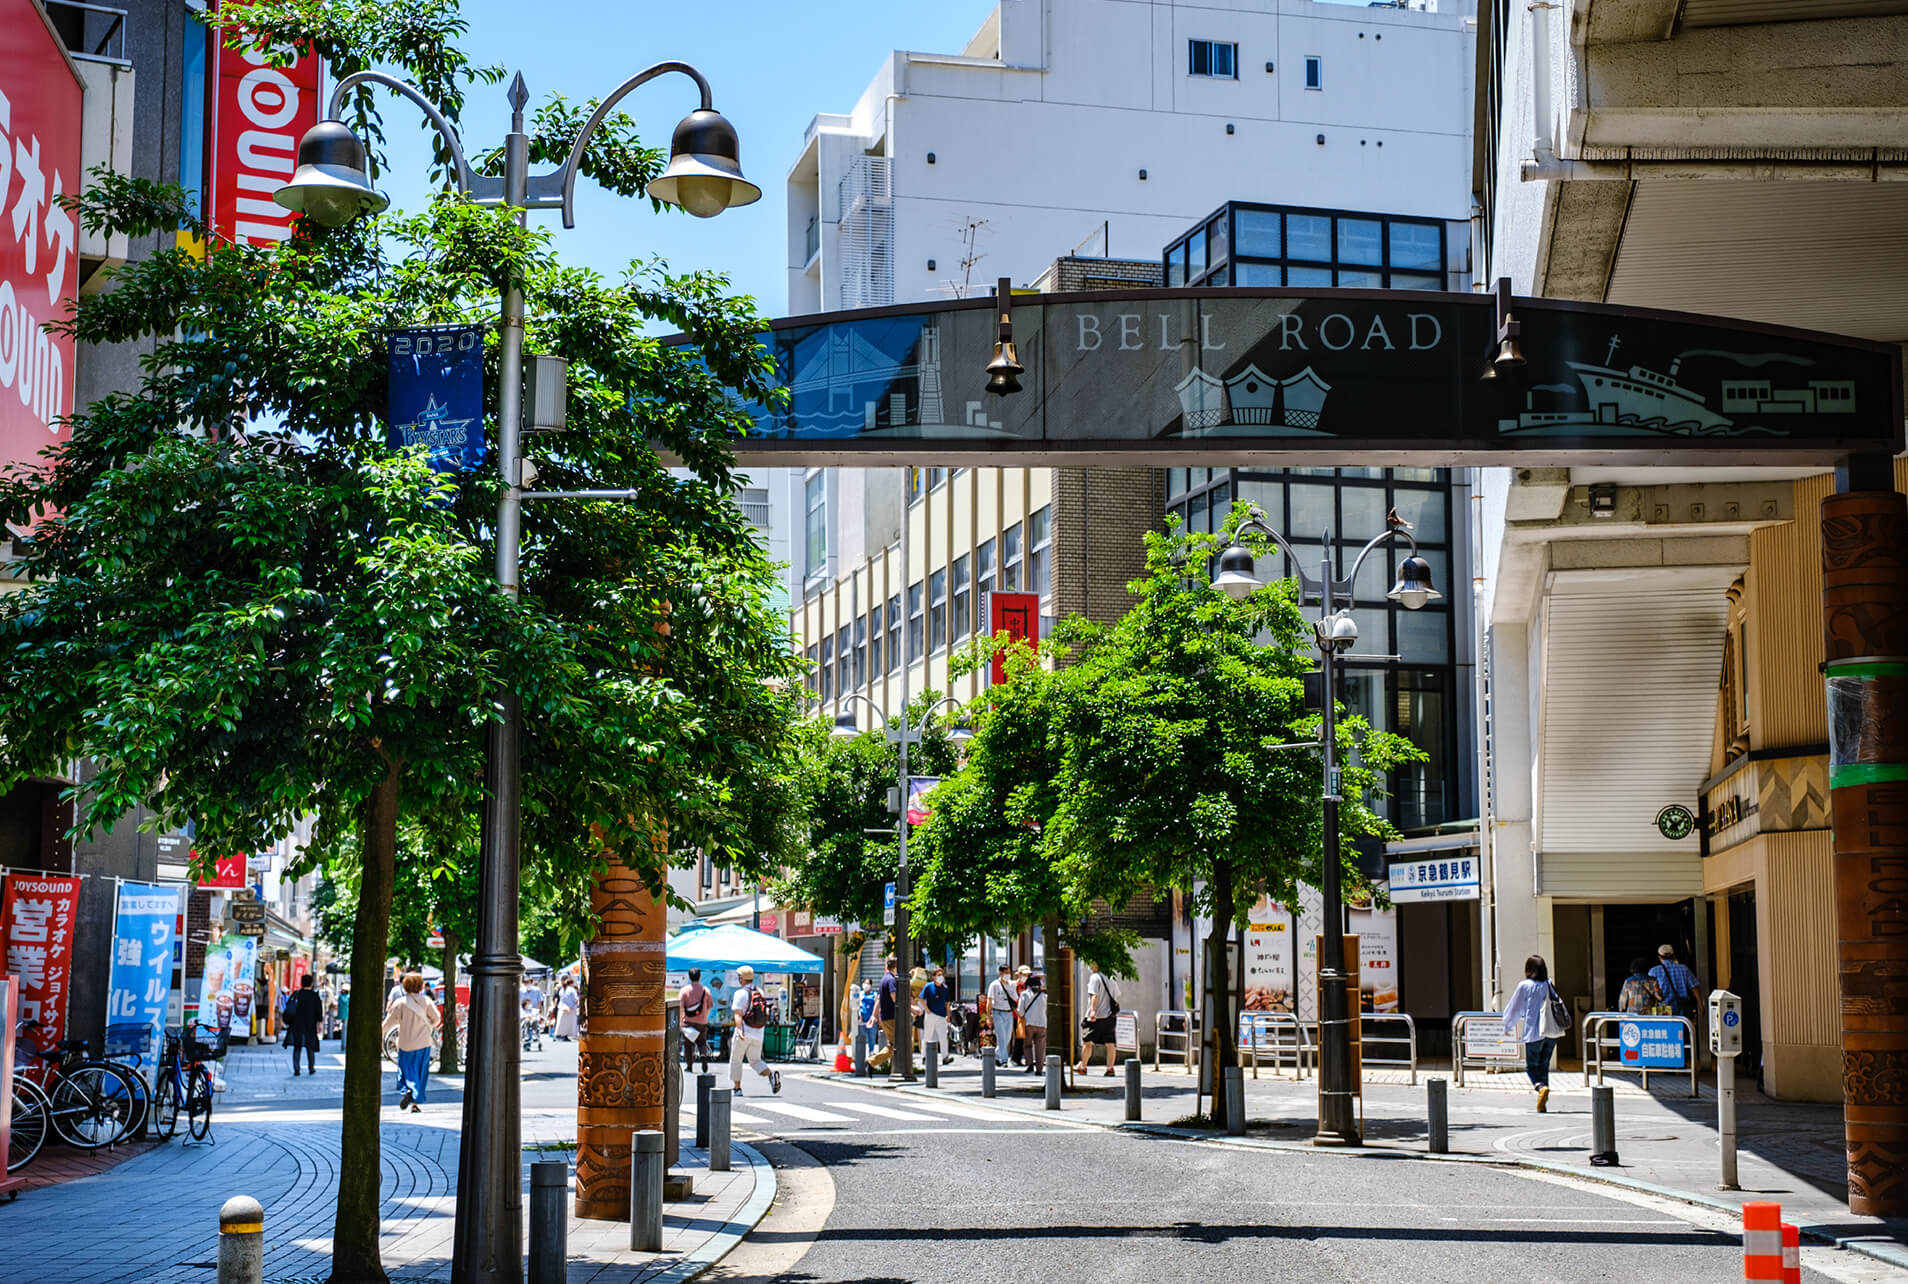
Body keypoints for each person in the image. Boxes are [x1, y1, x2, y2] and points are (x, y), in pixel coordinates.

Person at [1502, 954, 1568, 1112]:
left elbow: (1515, 1008)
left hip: (1534, 1033)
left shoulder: (1524, 986)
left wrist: (1507, 1026)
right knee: (1544, 1066)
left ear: (1529, 969)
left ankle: (1540, 1088)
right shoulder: (1548, 983)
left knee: (1531, 1067)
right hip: (1551, 1032)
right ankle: (1543, 1102)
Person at [382, 972, 441, 1112]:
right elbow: (437, 1018)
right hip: (424, 1042)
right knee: (421, 1071)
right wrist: (429, 1025)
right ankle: (415, 1102)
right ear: (421, 986)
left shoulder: (400, 1003)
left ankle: (408, 1089)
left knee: (405, 1069)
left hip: (405, 1042)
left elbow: (388, 1023)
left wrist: (380, 1032)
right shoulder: (427, 1001)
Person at [728, 965, 782, 1096]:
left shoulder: (740, 993)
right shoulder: (760, 992)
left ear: (741, 978)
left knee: (736, 1059)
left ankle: (737, 1088)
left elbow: (738, 1014)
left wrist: (739, 1029)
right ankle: (770, 1074)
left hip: (745, 1031)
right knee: (755, 1060)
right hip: (758, 1032)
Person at [1076, 961, 1122, 1076]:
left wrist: (1092, 1010)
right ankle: (1110, 1068)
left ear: (1096, 965)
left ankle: (1083, 1066)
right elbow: (1116, 996)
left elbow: (1094, 995)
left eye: (1091, 964)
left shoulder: (1094, 977)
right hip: (1110, 1016)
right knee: (1110, 1042)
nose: (1089, 967)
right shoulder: (1111, 977)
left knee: (1087, 1041)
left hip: (1095, 1016)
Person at [1650, 944, 1704, 1023]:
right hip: (1682, 1007)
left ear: (1659, 957)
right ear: (1673, 956)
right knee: (1682, 1031)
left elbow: (1652, 991)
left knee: (1666, 1031)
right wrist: (1700, 1004)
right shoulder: (1684, 969)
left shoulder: (1654, 971)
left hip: (1664, 1009)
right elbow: (1694, 987)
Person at [285, 974, 324, 1077]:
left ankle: (296, 1069)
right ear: (311, 983)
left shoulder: (297, 994)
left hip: (297, 1024)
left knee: (297, 1046)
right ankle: (311, 1067)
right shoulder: (314, 996)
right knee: (310, 1046)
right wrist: (319, 1023)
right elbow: (319, 1011)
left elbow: (289, 1008)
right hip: (310, 1024)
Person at [680, 968, 713, 1072]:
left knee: (688, 1045)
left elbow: (680, 1007)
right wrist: (704, 1017)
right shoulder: (705, 990)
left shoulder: (684, 991)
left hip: (688, 1022)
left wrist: (681, 1020)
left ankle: (689, 1066)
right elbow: (709, 1006)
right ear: (700, 976)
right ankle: (703, 1055)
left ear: (689, 977)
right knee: (702, 1042)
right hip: (702, 1022)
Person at [920, 966, 954, 1065]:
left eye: (942, 975)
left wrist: (948, 1015)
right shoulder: (928, 986)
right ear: (934, 977)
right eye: (938, 975)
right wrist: (927, 1009)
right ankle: (924, 1056)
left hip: (942, 1016)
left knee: (943, 1037)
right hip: (931, 1015)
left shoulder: (945, 988)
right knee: (927, 1036)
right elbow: (921, 998)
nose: (941, 977)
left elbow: (947, 1003)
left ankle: (945, 1057)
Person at [986, 964, 1018, 1064]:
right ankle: (1004, 1060)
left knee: (1007, 1037)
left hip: (1009, 1013)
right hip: (998, 1012)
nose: (1008, 975)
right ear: (1000, 973)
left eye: (1009, 973)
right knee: (1001, 1037)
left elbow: (1015, 999)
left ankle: (996, 1054)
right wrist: (988, 1016)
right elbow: (989, 1000)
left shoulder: (1011, 984)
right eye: (1006, 973)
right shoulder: (994, 984)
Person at [1018, 973, 1048, 1074]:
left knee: (1027, 1045)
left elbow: (1021, 1012)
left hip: (1029, 1024)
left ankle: (1030, 1064)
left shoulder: (1024, 994)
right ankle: (1039, 1069)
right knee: (1040, 1047)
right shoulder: (1045, 996)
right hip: (1042, 1024)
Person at [552, 975, 580, 1041]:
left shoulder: (563, 990)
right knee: (566, 1023)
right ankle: (562, 1035)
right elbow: (576, 1000)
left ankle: (562, 1035)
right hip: (568, 1008)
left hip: (564, 1008)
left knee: (562, 1023)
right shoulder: (569, 990)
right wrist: (571, 1007)